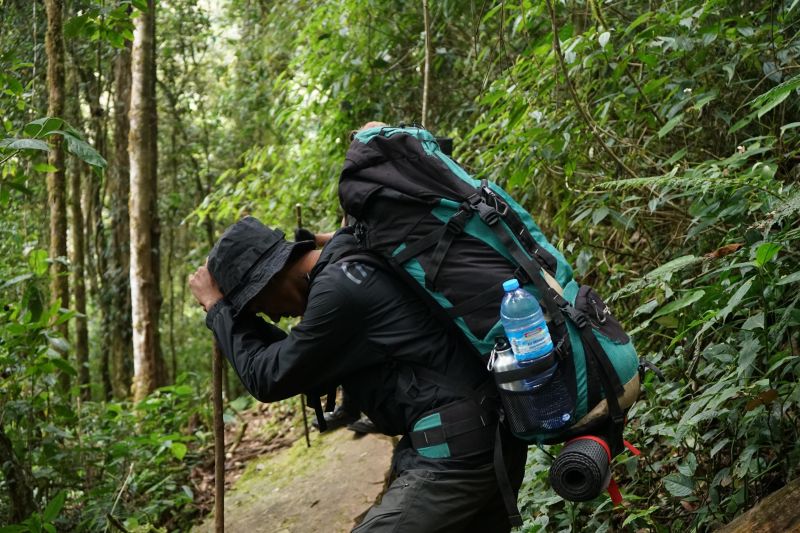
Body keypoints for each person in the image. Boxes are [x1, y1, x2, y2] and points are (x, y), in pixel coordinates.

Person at [189, 216, 527, 532]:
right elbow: (301, 358)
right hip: (481, 434)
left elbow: (268, 376)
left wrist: (219, 311)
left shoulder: (338, 292)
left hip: (459, 456)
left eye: (260, 307)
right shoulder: (349, 256)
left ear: (271, 279)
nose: (273, 318)